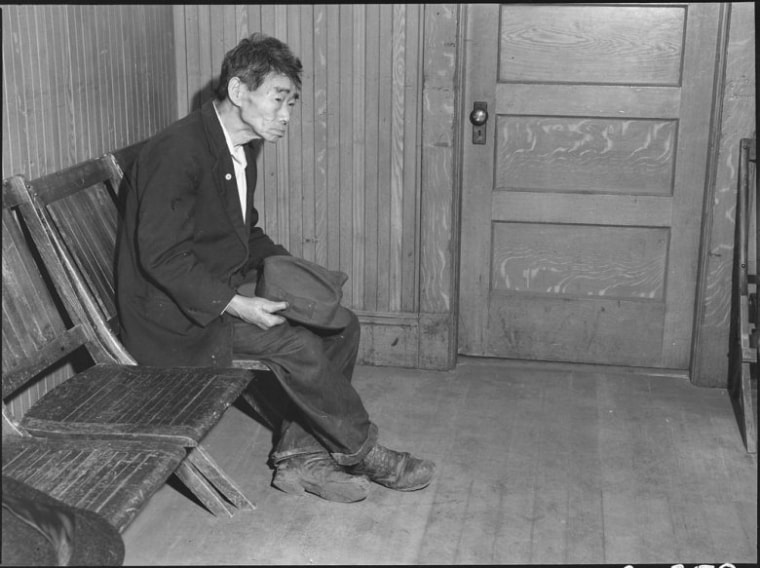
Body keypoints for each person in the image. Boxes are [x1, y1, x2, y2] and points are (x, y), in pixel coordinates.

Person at [116, 33, 435, 503]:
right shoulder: (178, 151)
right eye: (278, 99)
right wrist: (240, 305)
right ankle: (362, 450)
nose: (286, 115)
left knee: (340, 324)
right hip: (172, 315)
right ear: (240, 92)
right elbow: (162, 257)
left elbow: (244, 231)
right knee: (296, 340)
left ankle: (300, 456)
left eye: (292, 102)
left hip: (211, 284)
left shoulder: (237, 145)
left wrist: (295, 273)